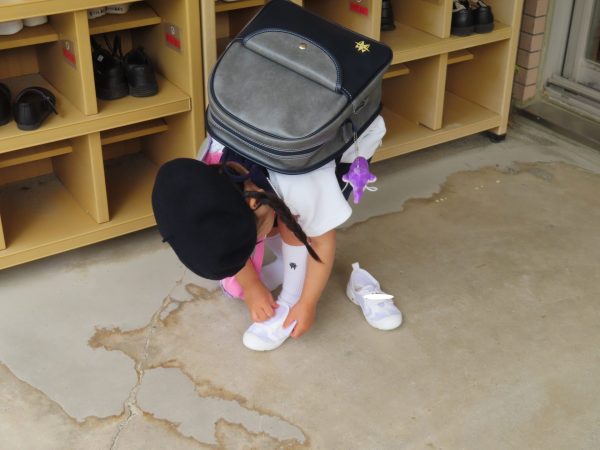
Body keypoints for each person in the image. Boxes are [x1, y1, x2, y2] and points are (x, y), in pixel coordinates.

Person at [152, 115, 401, 352]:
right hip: (281, 132)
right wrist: (251, 285)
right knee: (269, 227)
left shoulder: (300, 182)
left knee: (297, 220)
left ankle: (290, 296)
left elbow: (321, 241)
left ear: (253, 203)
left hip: (349, 132)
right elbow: (219, 231)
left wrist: (306, 302)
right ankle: (287, 261)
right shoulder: (211, 169)